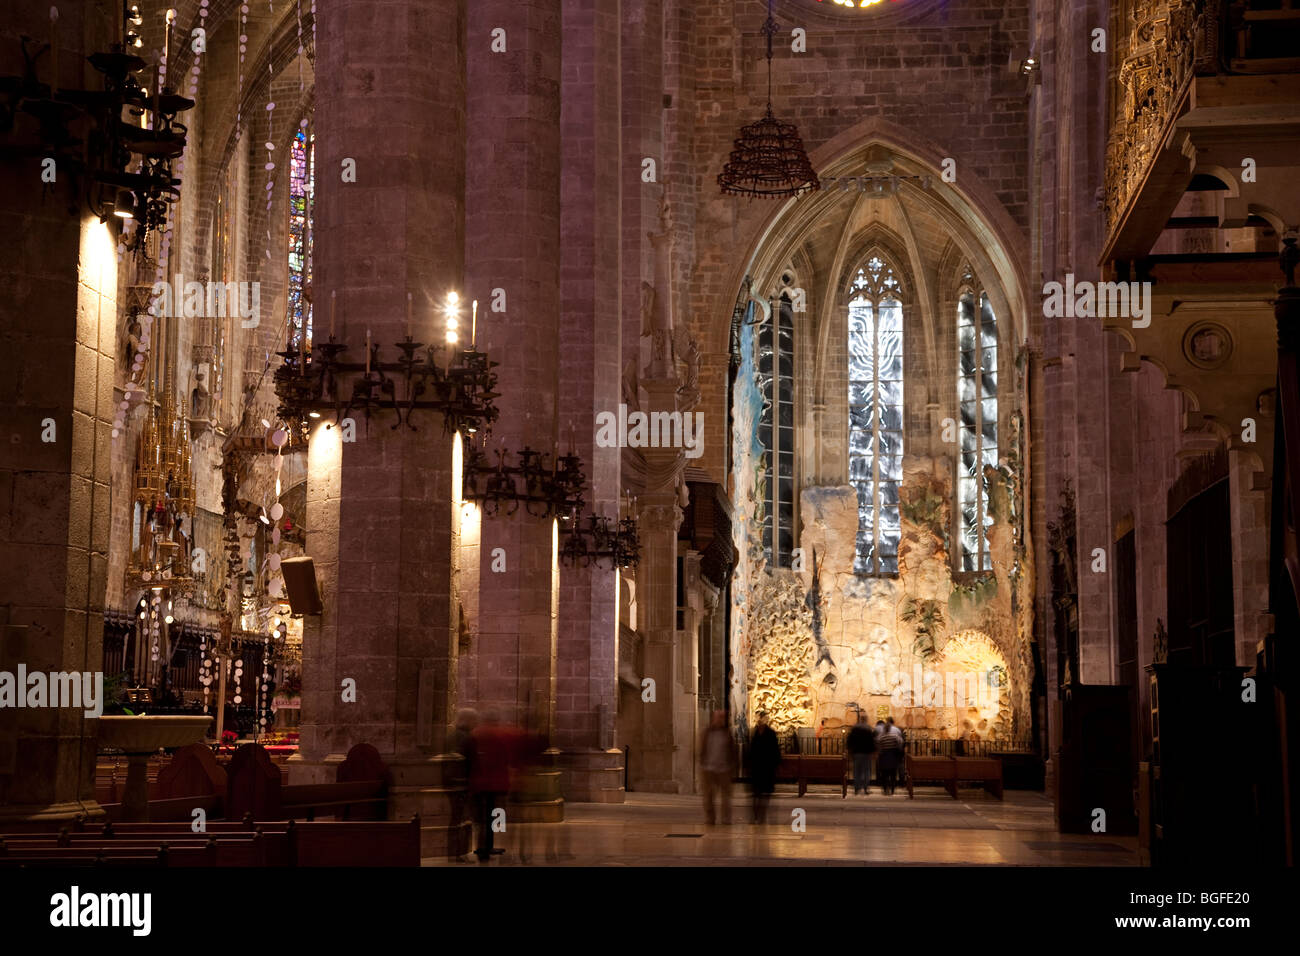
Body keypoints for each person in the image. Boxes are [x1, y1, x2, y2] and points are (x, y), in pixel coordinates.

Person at [467, 710, 519, 862]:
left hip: (479, 781)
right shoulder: (501, 734)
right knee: (494, 815)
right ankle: (488, 846)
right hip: (498, 782)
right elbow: (509, 758)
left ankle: (483, 847)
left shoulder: (475, 733)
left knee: (481, 818)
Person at [699, 709, 737, 825]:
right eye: (718, 717)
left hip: (724, 769)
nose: (720, 720)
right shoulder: (707, 733)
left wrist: (732, 766)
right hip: (709, 769)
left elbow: (733, 751)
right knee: (709, 797)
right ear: (713, 719)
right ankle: (710, 819)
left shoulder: (727, 733)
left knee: (726, 797)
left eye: (722, 717)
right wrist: (703, 763)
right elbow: (702, 749)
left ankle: (725, 819)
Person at [748, 711, 781, 824]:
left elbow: (775, 751)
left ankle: (761, 815)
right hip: (756, 768)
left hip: (767, 768)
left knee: (764, 794)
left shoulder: (770, 734)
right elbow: (750, 750)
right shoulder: (754, 733)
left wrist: (775, 765)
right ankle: (755, 814)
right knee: (756, 794)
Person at [846, 714, 877, 795]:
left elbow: (850, 740)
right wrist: (873, 752)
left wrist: (850, 750)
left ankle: (857, 788)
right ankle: (866, 788)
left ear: (860, 719)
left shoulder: (854, 728)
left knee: (857, 771)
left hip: (857, 752)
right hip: (866, 752)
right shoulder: (868, 729)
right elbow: (871, 741)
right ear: (866, 720)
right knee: (866, 771)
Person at [876, 716, 902, 795]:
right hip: (893, 756)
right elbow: (900, 743)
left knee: (884, 774)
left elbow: (879, 745)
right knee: (893, 774)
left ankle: (885, 789)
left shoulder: (882, 737)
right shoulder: (895, 736)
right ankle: (892, 789)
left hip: (884, 756)